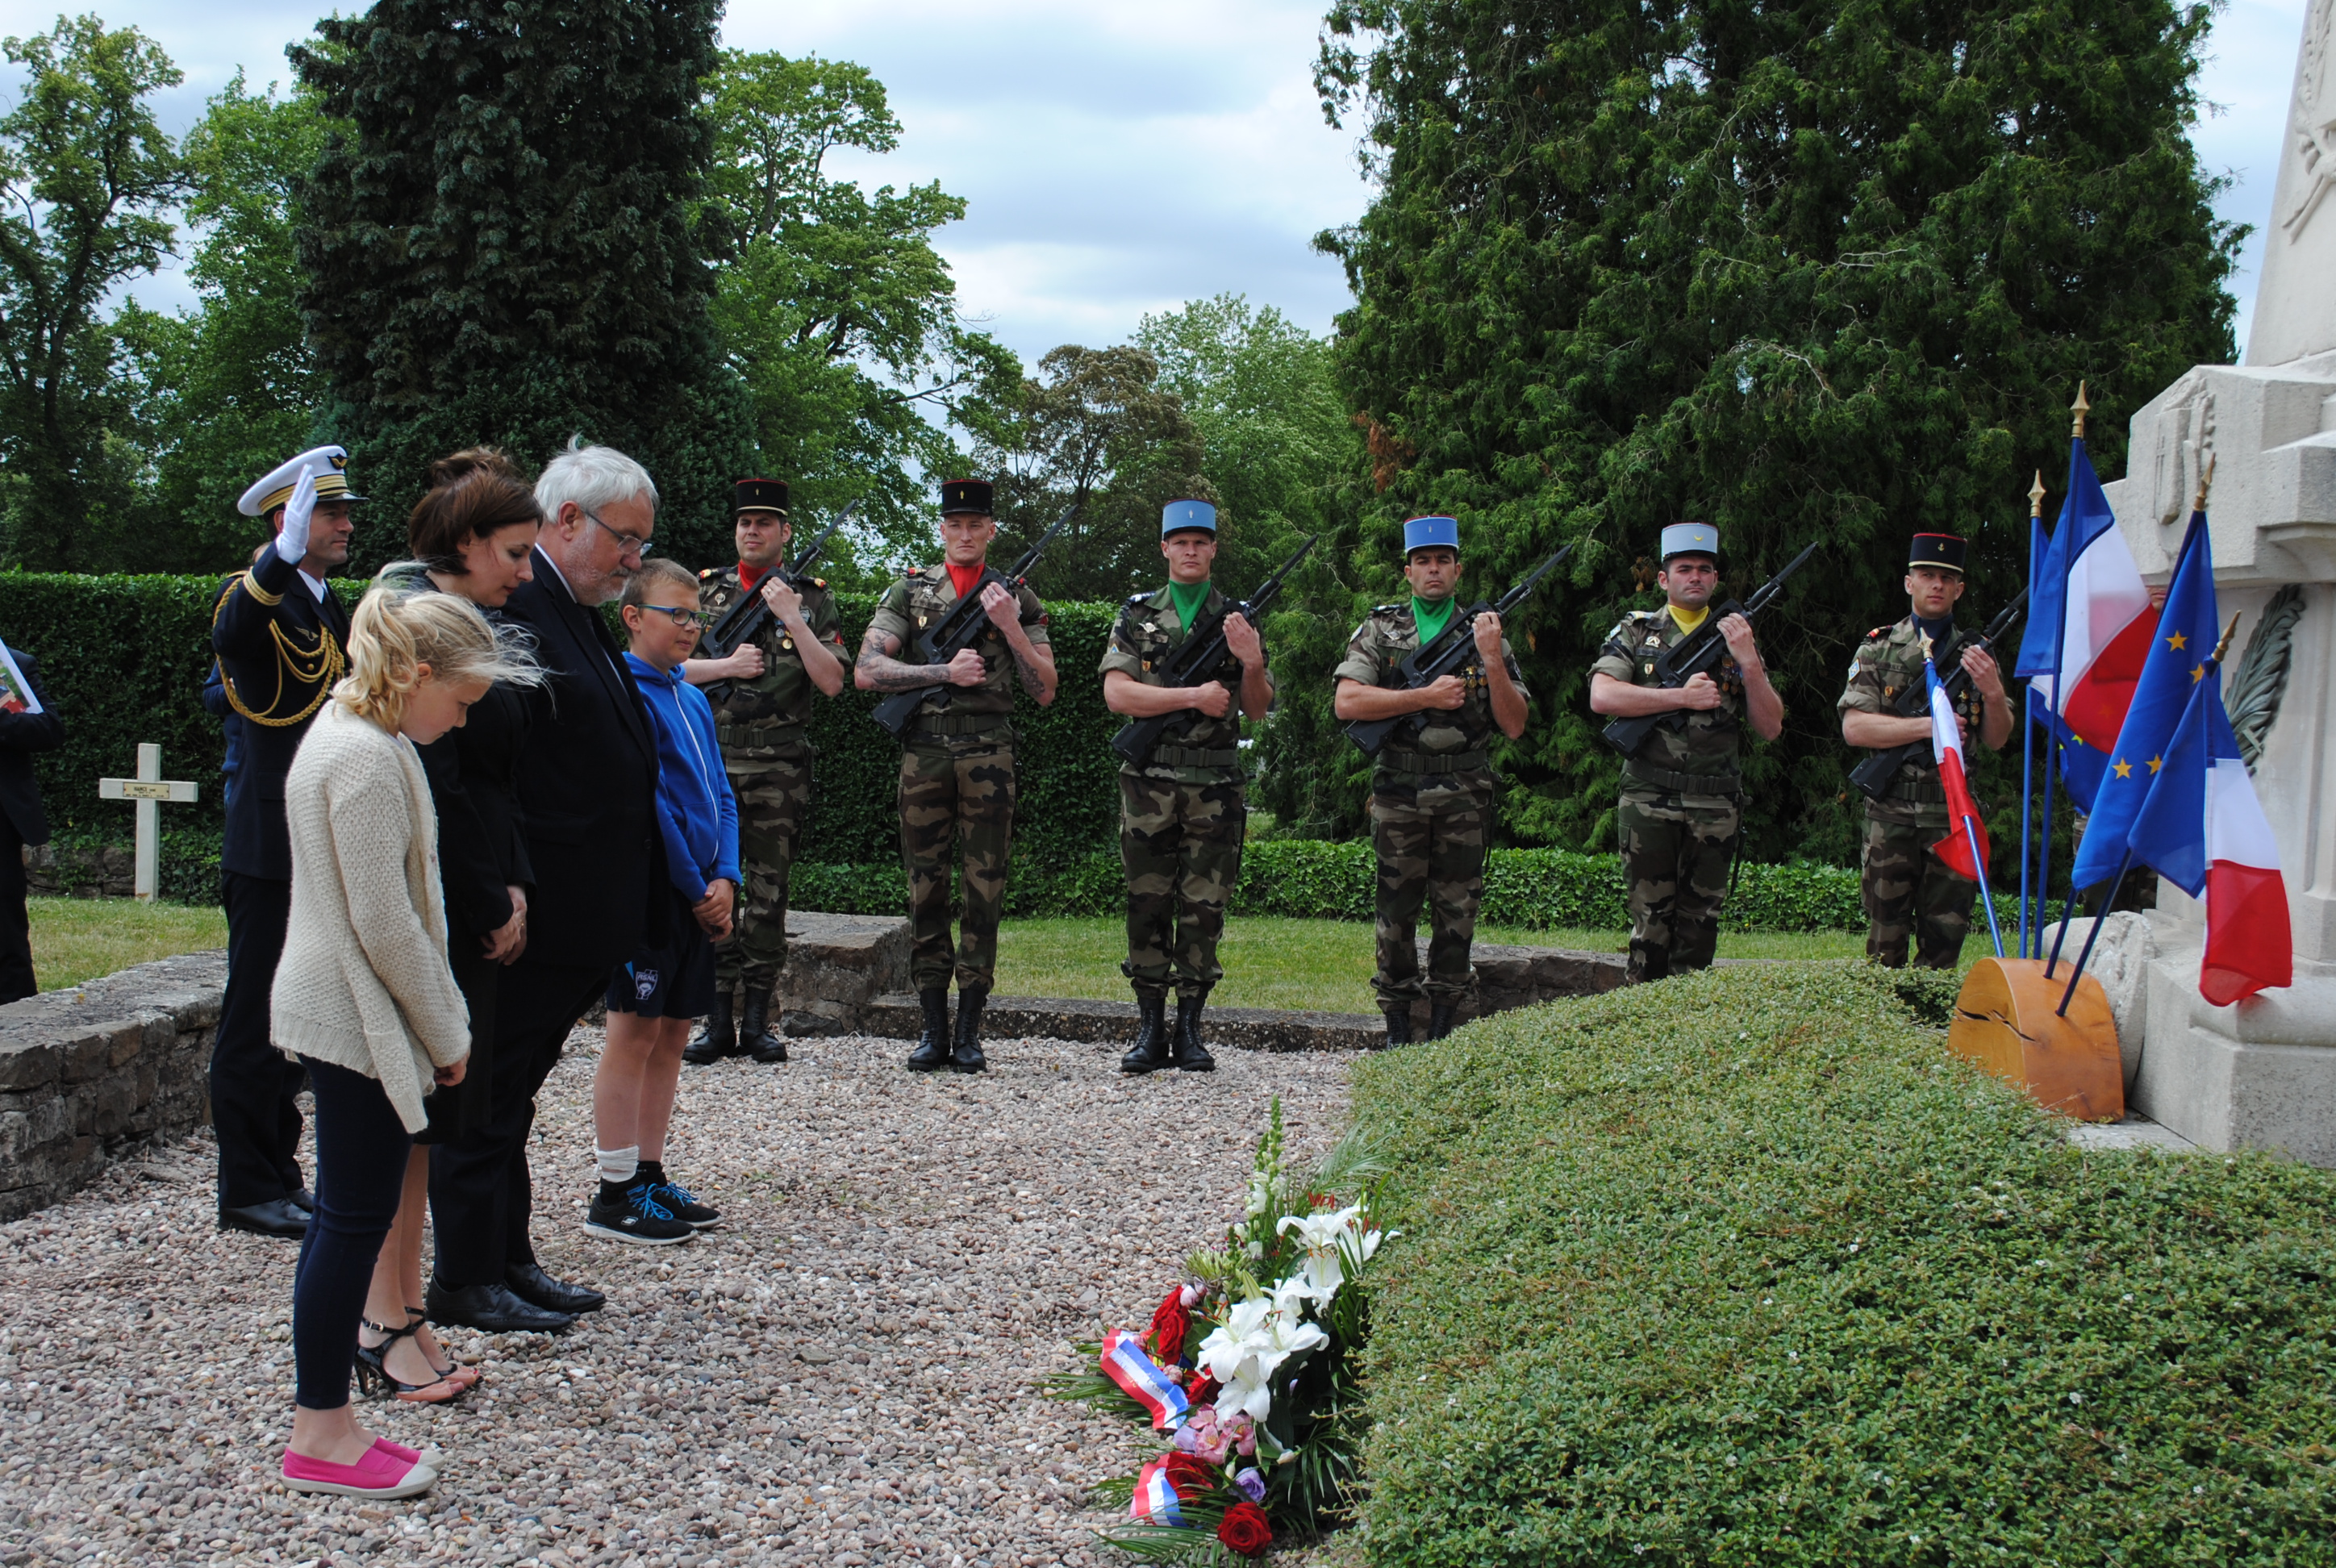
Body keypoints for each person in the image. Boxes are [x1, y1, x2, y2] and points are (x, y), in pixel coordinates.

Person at [272, 586, 530, 1499]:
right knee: (351, 1220)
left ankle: (329, 1424)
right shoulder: (367, 760)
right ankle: (320, 1434)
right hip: (352, 1016)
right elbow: (386, 924)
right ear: (418, 674)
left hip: (350, 1006)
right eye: (459, 700)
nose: (461, 720)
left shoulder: (363, 738)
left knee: (350, 1217)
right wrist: (449, 1029)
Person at [426, 438, 666, 1335]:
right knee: (485, 1093)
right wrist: (504, 891)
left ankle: (507, 1256)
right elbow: (493, 773)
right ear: (568, 519)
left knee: (516, 1089)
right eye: (625, 537)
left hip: (577, 906)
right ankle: (463, 1273)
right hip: (533, 909)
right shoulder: (516, 608)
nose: (634, 559)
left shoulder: (574, 608)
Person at [356, 450, 545, 1400]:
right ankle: (381, 1321)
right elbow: (442, 783)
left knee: (430, 1130)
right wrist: (487, 897)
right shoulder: (408, 625)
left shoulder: (472, 617)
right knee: (407, 1127)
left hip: (481, 879)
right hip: (439, 900)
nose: (525, 569)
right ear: (465, 545)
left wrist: (512, 880)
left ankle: (405, 1315)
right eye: (514, 552)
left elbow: (499, 779)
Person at [855, 477, 1057, 1073]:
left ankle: (970, 1027)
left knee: (984, 887)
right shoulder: (910, 592)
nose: (966, 534)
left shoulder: (1017, 595)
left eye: (977, 525)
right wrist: (943, 672)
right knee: (926, 888)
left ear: (991, 531)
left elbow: (1045, 689)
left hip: (988, 754)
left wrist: (1011, 625)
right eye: (955, 524)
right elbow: (868, 669)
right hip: (926, 752)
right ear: (942, 529)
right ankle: (932, 1026)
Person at [211, 447, 361, 1239]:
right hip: (269, 842)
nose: (345, 526)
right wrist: (273, 562)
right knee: (252, 1021)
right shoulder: (260, 597)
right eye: (331, 514)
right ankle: (245, 1186)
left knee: (291, 1019)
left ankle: (280, 1170)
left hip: (313, 833)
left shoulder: (320, 602)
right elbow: (234, 633)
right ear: (288, 521)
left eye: (340, 513)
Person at [1333, 515, 1530, 1043]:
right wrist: (1422, 697)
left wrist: (1491, 658)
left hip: (1465, 792)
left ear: (1458, 569)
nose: (1434, 569)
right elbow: (1347, 701)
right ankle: (1397, 1020)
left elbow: (1514, 723)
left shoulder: (1484, 633)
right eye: (1424, 561)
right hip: (1399, 791)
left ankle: (1443, 1021)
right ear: (1409, 571)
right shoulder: (1382, 629)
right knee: (1395, 914)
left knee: (1457, 911)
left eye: (1443, 560)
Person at [588, 559, 740, 1245]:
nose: (690, 626)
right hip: (654, 894)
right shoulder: (628, 694)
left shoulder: (694, 697)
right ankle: (613, 1191)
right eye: (676, 614)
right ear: (633, 615)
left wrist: (727, 877)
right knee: (634, 1032)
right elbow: (651, 805)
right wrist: (693, 886)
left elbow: (722, 794)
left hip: (702, 893)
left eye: (696, 616)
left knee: (674, 1032)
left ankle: (649, 1175)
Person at [1099, 499, 1273, 1074]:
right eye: (1182, 542)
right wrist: (1191, 697)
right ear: (1165, 549)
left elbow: (1257, 711)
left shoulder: (1238, 619)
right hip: (1149, 782)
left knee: (1205, 906)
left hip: (1216, 782)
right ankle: (1150, 1028)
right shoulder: (1137, 615)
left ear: (1214, 548)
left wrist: (1250, 663)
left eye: (1202, 541)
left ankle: (1191, 1030)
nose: (1192, 550)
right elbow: (1119, 695)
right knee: (1146, 900)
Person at [678, 478, 845, 1065]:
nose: (753, 530)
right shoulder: (702, 592)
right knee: (714, 887)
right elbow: (665, 666)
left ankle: (757, 1021)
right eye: (745, 522)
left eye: (765, 523)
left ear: (785, 533)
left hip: (779, 764)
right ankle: (716, 1019)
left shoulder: (810, 598)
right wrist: (726, 663)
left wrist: (792, 619)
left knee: (769, 894)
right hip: (712, 762)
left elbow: (831, 681)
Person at [1587, 522, 1784, 984]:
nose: (1694, 576)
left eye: (1704, 569)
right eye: (1683, 568)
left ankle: (1688, 1033)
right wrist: (1678, 698)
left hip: (1715, 803)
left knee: (1700, 930)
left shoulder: (1736, 638)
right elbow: (1603, 696)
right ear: (1664, 579)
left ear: (1716, 580)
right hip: (1649, 800)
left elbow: (1771, 726)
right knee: (1650, 928)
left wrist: (1750, 661)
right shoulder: (1637, 632)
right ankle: (1641, 1024)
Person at [1838, 531, 2012, 968]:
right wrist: (1927, 726)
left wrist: (1992, 693)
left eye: (1946, 578)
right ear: (1908, 583)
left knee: (1944, 944)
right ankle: (1885, 1031)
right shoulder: (1878, 648)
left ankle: (1932, 1030)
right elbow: (1855, 728)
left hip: (1951, 815)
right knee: (1885, 945)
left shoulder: (1976, 657)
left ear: (1960, 589)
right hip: (1891, 816)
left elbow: (1997, 738)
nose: (1936, 585)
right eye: (1927, 575)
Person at [0, 642, 62, 1003]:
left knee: (6, 929)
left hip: (2, 819)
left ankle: (20, 1023)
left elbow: (49, 728)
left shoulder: (14, 666)